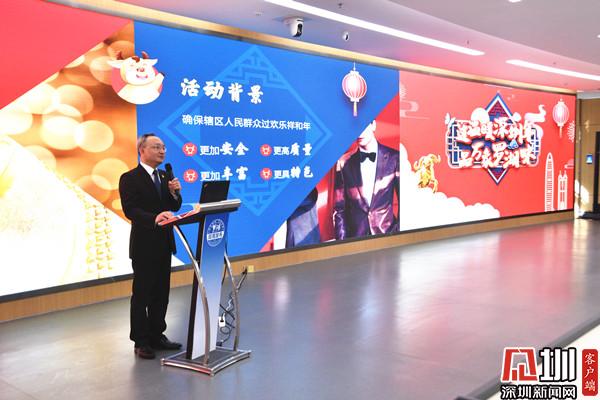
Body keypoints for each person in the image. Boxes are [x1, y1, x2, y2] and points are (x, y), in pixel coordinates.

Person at [119, 133, 183, 360]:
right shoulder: (130, 178)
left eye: (163, 147)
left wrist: (175, 193)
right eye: (156, 147)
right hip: (144, 245)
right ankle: (141, 341)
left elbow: (174, 206)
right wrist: (153, 218)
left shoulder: (164, 176)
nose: (162, 150)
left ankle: (157, 335)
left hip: (164, 243)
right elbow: (130, 210)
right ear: (142, 150)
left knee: (161, 294)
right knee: (142, 294)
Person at [333, 120, 399, 240]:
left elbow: (404, 202)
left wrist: (397, 233)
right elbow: (339, 209)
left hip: (388, 235)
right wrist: (342, 243)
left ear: (373, 125)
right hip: (356, 239)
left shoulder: (394, 158)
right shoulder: (343, 162)